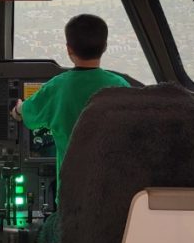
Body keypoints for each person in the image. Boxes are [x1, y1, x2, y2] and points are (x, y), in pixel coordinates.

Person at [11, 14, 129, 199]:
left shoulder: (57, 87)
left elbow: (29, 116)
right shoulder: (120, 85)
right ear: (105, 47)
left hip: (72, 194)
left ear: (69, 49)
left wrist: (18, 109)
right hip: (113, 193)